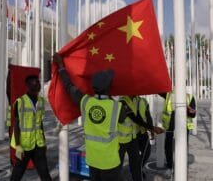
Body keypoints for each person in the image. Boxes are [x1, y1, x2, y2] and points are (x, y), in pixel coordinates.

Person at [53, 53, 164, 181]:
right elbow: (125, 117)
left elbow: (69, 87)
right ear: (109, 87)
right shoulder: (117, 107)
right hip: (110, 162)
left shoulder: (86, 102)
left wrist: (61, 66)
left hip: (93, 160)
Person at [10, 75, 52, 181]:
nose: (38, 84)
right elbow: (16, 125)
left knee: (44, 172)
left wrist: (44, 141)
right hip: (24, 145)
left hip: (38, 144)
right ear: (28, 85)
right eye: (35, 82)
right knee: (17, 173)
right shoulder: (20, 102)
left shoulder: (41, 101)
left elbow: (40, 122)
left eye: (38, 82)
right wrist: (18, 145)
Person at [159, 92, 196, 179]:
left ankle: (181, 168)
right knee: (168, 147)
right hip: (170, 126)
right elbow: (159, 90)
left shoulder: (189, 97)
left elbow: (193, 114)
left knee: (182, 148)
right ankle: (169, 167)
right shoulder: (168, 95)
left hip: (183, 126)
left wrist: (188, 108)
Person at [118, 96, 154, 181]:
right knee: (118, 165)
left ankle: (138, 174)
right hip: (121, 139)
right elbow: (134, 117)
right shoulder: (122, 101)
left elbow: (147, 116)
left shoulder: (138, 101)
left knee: (137, 162)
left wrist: (151, 128)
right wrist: (152, 127)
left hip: (133, 137)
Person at [134, 96, 153, 179]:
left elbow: (148, 116)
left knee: (147, 152)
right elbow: (136, 117)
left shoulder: (144, 101)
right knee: (135, 155)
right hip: (132, 134)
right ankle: (137, 171)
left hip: (142, 132)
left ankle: (139, 169)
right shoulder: (126, 100)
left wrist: (151, 129)